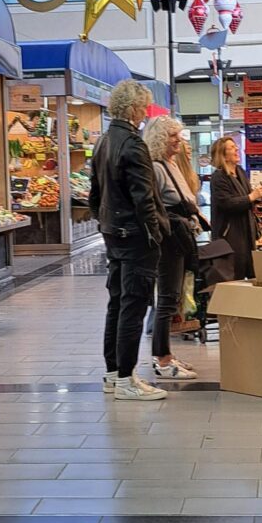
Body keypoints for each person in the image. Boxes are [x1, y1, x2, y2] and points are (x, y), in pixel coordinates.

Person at [89, 80, 169, 401]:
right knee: (133, 307)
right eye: (144, 107)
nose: (145, 113)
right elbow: (145, 199)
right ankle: (126, 380)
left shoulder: (103, 141)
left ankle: (112, 374)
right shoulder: (134, 145)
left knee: (117, 303)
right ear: (134, 109)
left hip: (112, 233)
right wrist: (156, 233)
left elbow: (94, 194)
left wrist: (105, 222)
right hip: (136, 238)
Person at [144, 116, 203, 381]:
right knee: (167, 299)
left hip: (179, 237)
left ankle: (166, 353)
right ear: (159, 138)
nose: (178, 140)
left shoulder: (170, 164)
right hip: (168, 241)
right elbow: (154, 207)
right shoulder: (156, 167)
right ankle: (163, 359)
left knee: (174, 298)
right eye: (172, 136)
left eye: (178, 135)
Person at [210, 136, 262, 280]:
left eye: (235, 147)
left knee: (250, 272)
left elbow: (247, 198)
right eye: (232, 147)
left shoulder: (240, 172)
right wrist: (251, 197)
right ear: (223, 155)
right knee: (233, 274)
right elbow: (226, 203)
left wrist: (256, 196)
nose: (237, 149)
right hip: (230, 235)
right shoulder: (219, 177)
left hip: (246, 233)